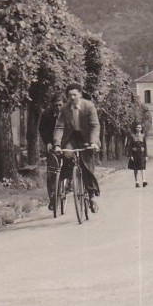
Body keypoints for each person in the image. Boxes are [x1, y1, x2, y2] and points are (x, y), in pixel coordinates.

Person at [51, 84, 102, 212]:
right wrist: (57, 144)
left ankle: (91, 196)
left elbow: (95, 126)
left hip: (86, 138)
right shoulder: (64, 109)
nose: (72, 97)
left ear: (80, 94)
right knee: (67, 155)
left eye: (74, 94)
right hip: (71, 138)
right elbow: (59, 127)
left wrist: (94, 142)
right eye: (69, 95)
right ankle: (68, 180)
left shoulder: (89, 106)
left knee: (87, 164)